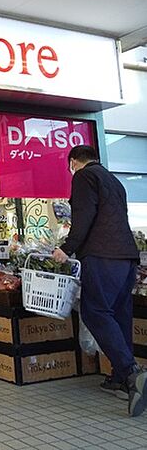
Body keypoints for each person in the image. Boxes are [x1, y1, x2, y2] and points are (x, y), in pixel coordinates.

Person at [52, 145, 147, 417]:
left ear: (73, 162)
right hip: (126, 257)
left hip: (102, 255)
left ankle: (131, 373)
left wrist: (67, 248)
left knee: (95, 312)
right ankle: (120, 378)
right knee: (119, 314)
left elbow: (84, 216)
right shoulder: (113, 180)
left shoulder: (84, 176)